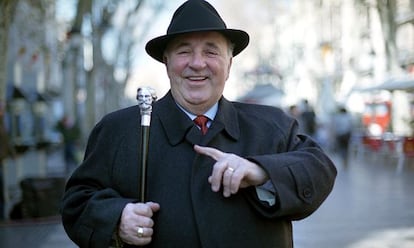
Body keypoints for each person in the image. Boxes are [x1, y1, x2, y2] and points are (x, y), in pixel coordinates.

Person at [60, 1, 337, 247]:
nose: (197, 63)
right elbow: (77, 202)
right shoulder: (118, 130)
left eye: (211, 52)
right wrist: (117, 218)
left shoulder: (272, 125)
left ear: (229, 64)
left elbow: (320, 168)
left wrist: (261, 172)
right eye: (184, 51)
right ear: (166, 62)